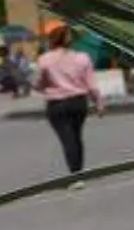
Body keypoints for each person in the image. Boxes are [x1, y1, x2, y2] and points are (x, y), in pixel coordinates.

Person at [35, 25, 104, 177]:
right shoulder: (82, 58)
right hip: (78, 102)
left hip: (57, 104)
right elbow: (91, 85)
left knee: (67, 138)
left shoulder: (45, 60)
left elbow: (39, 84)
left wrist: (48, 85)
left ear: (52, 40)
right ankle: (78, 170)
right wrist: (98, 103)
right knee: (76, 136)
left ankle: (75, 174)